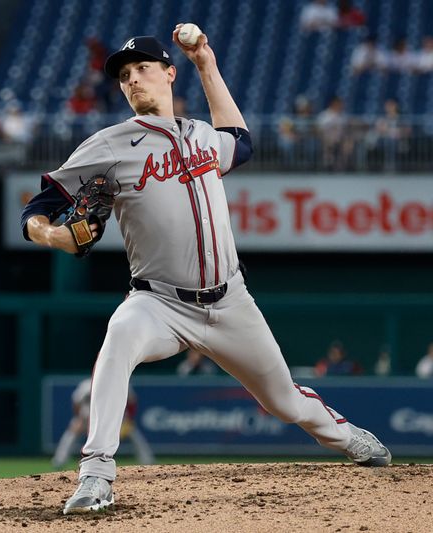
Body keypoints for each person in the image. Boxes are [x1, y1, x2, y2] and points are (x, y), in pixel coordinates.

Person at [20, 28, 391, 515]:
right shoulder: (108, 146)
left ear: (169, 73)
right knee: (118, 339)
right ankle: (96, 473)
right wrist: (52, 235)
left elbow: (241, 142)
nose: (133, 80)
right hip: (159, 303)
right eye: (125, 76)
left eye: (143, 69)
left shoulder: (200, 134)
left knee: (284, 401)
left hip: (230, 300)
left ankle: (346, 436)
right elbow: (38, 208)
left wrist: (206, 62)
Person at [52, 378, 154, 469]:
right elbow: (76, 403)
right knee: (71, 434)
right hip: (88, 418)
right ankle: (59, 461)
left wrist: (129, 419)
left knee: (135, 436)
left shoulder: (122, 382)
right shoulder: (87, 384)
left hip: (115, 419)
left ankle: (147, 461)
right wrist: (78, 418)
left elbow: (132, 402)